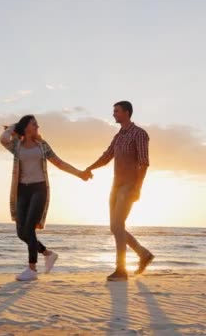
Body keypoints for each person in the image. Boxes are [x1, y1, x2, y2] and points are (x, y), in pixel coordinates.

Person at [0, 114, 92, 281]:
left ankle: (32, 269)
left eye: (37, 124)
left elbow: (60, 163)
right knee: (21, 233)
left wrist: (80, 174)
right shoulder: (16, 145)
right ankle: (48, 254)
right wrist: (15, 126)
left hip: (39, 189)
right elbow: (3, 138)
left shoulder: (42, 146)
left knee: (29, 229)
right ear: (26, 126)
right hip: (21, 190)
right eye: (34, 124)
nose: (37, 127)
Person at [83, 101, 155, 281]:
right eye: (113, 111)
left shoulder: (139, 134)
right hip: (115, 185)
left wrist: (138, 188)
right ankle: (143, 254)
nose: (113, 114)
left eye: (116, 111)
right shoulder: (118, 136)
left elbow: (144, 163)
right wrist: (89, 168)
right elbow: (107, 156)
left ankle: (121, 270)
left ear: (126, 113)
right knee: (115, 227)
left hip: (129, 185)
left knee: (117, 226)